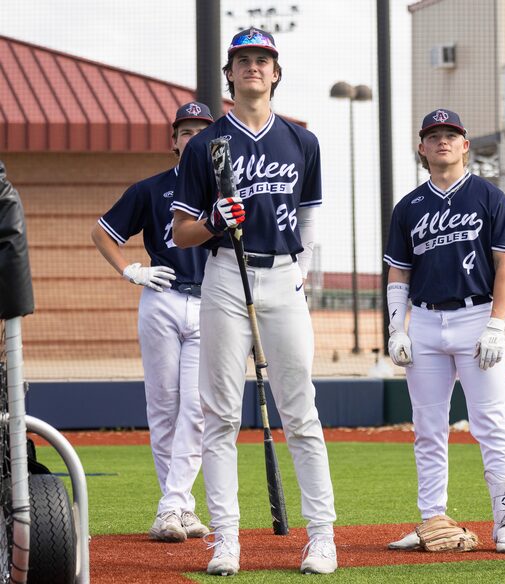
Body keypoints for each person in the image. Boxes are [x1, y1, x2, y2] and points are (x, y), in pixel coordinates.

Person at [171, 27, 337, 576]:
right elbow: (180, 232)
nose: (253, 68)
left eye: (262, 59)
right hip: (224, 276)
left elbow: (310, 217)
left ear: (276, 71)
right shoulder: (204, 144)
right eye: (242, 60)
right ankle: (225, 540)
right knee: (218, 414)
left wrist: (304, 272)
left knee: (301, 411)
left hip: (284, 276)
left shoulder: (302, 141)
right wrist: (214, 221)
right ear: (230, 74)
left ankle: (321, 537)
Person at [383, 109, 505, 554]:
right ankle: (432, 521)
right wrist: (397, 327)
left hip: (476, 316)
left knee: (490, 424)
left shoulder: (488, 196)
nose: (442, 141)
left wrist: (496, 323)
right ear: (422, 148)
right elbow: (398, 273)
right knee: (428, 428)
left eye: (451, 134)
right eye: (433, 135)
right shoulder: (408, 207)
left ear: (465, 145)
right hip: (424, 322)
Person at [91, 101, 215, 542]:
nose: (193, 137)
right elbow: (102, 232)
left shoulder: (225, 192)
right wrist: (130, 270)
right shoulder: (149, 189)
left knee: (196, 408)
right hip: (161, 298)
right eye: (186, 131)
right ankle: (178, 510)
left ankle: (172, 504)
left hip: (210, 305)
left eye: (202, 130)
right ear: (174, 141)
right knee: (163, 406)